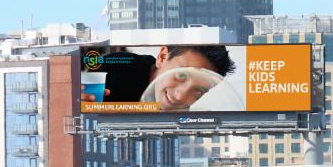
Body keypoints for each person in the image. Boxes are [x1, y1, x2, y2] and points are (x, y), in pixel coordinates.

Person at [81, 45, 236, 111]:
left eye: (198, 91)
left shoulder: (180, 119)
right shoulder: (113, 70)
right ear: (162, 57)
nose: (181, 96)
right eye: (181, 75)